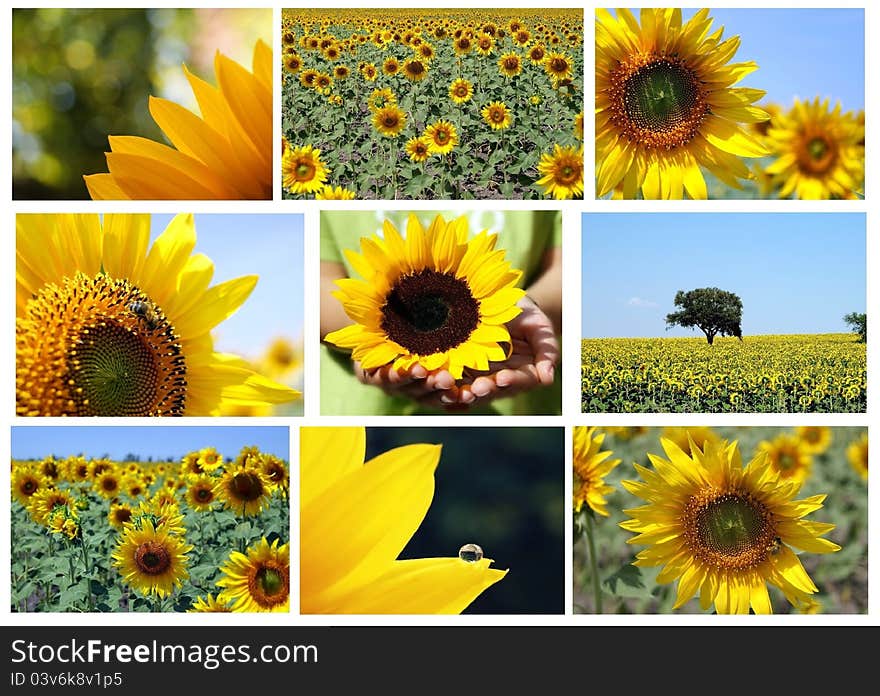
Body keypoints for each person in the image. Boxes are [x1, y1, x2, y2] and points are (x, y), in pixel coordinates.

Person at [320, 209, 561, 415]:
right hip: (355, 413)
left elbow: (568, 268)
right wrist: (372, 345)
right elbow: (317, 287)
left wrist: (520, 309)